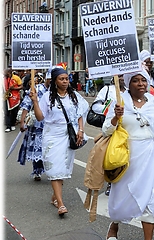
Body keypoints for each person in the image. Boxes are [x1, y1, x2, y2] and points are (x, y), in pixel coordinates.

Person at [102, 68, 154, 240]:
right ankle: (114, 225)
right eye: (135, 80)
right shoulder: (118, 102)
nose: (140, 84)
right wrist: (115, 118)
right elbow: (105, 130)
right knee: (122, 199)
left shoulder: (151, 103)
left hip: (149, 158)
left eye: (143, 80)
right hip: (126, 158)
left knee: (151, 199)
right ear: (127, 82)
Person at [29, 67, 89, 216]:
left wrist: (80, 130)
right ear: (55, 81)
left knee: (62, 168)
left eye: (66, 79)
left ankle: (55, 196)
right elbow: (40, 117)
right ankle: (61, 204)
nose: (64, 81)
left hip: (68, 135)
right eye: (61, 79)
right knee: (54, 167)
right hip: (52, 135)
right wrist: (35, 101)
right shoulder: (47, 97)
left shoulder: (74, 96)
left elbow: (80, 113)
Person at [91, 74, 126, 196]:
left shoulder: (129, 92)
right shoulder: (107, 89)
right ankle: (111, 183)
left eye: (124, 76)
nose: (122, 78)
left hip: (127, 131)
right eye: (120, 76)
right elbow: (96, 107)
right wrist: (110, 110)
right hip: (112, 127)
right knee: (114, 158)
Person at [17, 71, 51, 181]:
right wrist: (22, 121)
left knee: (51, 149)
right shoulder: (37, 89)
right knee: (38, 147)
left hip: (52, 125)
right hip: (38, 124)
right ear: (47, 79)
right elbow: (26, 105)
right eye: (51, 79)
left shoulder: (58, 91)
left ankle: (54, 172)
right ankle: (37, 170)